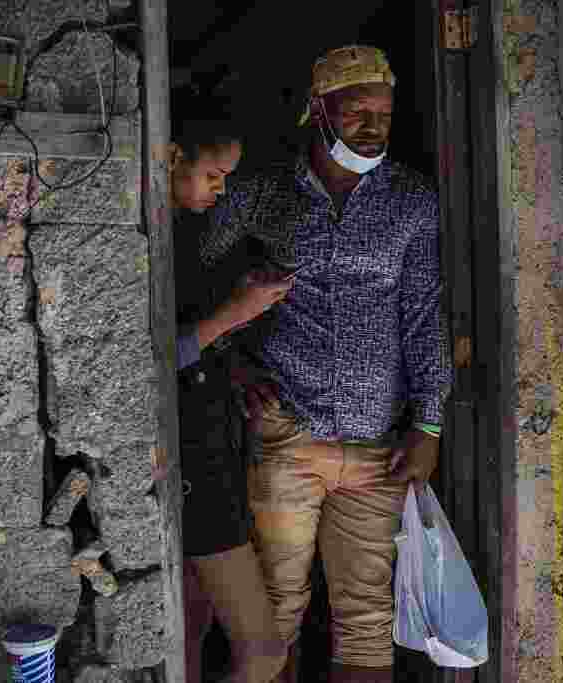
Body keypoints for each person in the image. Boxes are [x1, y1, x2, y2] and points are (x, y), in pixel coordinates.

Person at [201, 46, 454, 683]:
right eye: (355, 112)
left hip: (380, 445)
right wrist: (228, 360)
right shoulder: (264, 195)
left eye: (383, 115)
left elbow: (426, 313)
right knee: (275, 609)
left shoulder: (412, 203)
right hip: (289, 431)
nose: (372, 127)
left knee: (367, 617)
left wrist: (428, 424)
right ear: (317, 111)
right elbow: (194, 272)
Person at [169, 91, 291, 683]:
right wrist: (237, 313)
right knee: (264, 654)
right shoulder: (147, 245)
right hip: (192, 463)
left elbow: (195, 337)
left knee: (192, 631)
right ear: (170, 158)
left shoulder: (186, 238)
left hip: (211, 444)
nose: (220, 192)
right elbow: (153, 355)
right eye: (214, 175)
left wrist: (234, 361)